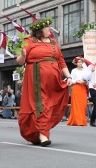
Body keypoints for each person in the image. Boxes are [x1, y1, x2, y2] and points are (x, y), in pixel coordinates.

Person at [16, 17, 72, 147]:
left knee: (49, 105)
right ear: (39, 30)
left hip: (53, 81)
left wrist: (69, 77)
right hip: (36, 78)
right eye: (47, 27)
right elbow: (19, 61)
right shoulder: (29, 41)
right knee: (41, 105)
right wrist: (23, 55)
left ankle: (40, 132)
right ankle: (43, 135)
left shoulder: (53, 42)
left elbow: (61, 61)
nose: (49, 29)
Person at [67, 56, 89, 126]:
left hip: (83, 88)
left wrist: (85, 82)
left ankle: (82, 120)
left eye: (81, 62)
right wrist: (77, 81)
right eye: (78, 62)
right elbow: (71, 80)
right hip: (76, 87)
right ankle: (77, 121)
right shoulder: (74, 70)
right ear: (76, 63)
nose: (79, 63)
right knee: (76, 105)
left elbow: (88, 79)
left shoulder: (85, 70)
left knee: (83, 104)